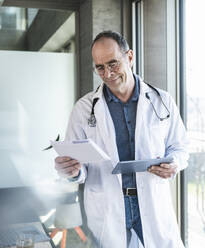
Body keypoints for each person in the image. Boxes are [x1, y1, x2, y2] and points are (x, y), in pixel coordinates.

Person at [54, 30, 189, 248]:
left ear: (130, 57)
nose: (107, 73)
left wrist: (174, 163)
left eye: (113, 63)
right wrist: (73, 170)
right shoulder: (84, 108)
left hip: (152, 201)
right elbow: (79, 166)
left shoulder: (162, 101)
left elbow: (180, 147)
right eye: (100, 67)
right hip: (108, 204)